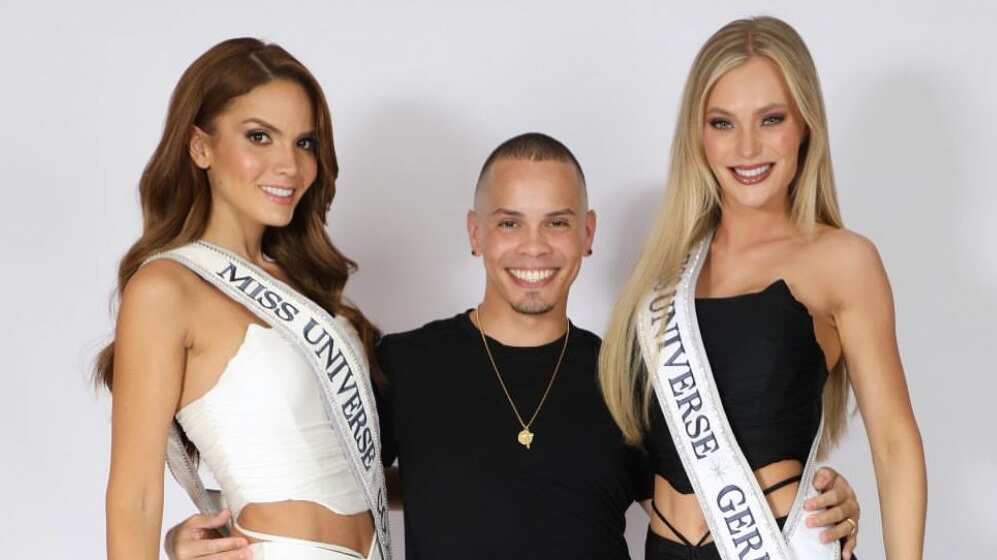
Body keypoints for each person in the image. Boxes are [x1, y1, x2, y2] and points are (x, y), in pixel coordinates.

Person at [166, 133, 863, 560]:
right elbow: (323, 481)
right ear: (475, 232)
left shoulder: (632, 373)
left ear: (588, 233)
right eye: (509, 223)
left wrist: (820, 503)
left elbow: (703, 494)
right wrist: (186, 540)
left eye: (556, 223)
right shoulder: (402, 363)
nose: (533, 248)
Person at [599, 17, 927, 560]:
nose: (747, 147)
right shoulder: (663, 273)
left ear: (805, 125)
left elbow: (894, 444)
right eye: (722, 123)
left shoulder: (841, 259)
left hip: (777, 544)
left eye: (770, 119)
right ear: (698, 135)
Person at [100, 38, 390, 560]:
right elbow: (135, 497)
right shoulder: (166, 288)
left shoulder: (309, 287)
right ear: (200, 147)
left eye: (304, 143)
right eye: (260, 137)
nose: (289, 165)